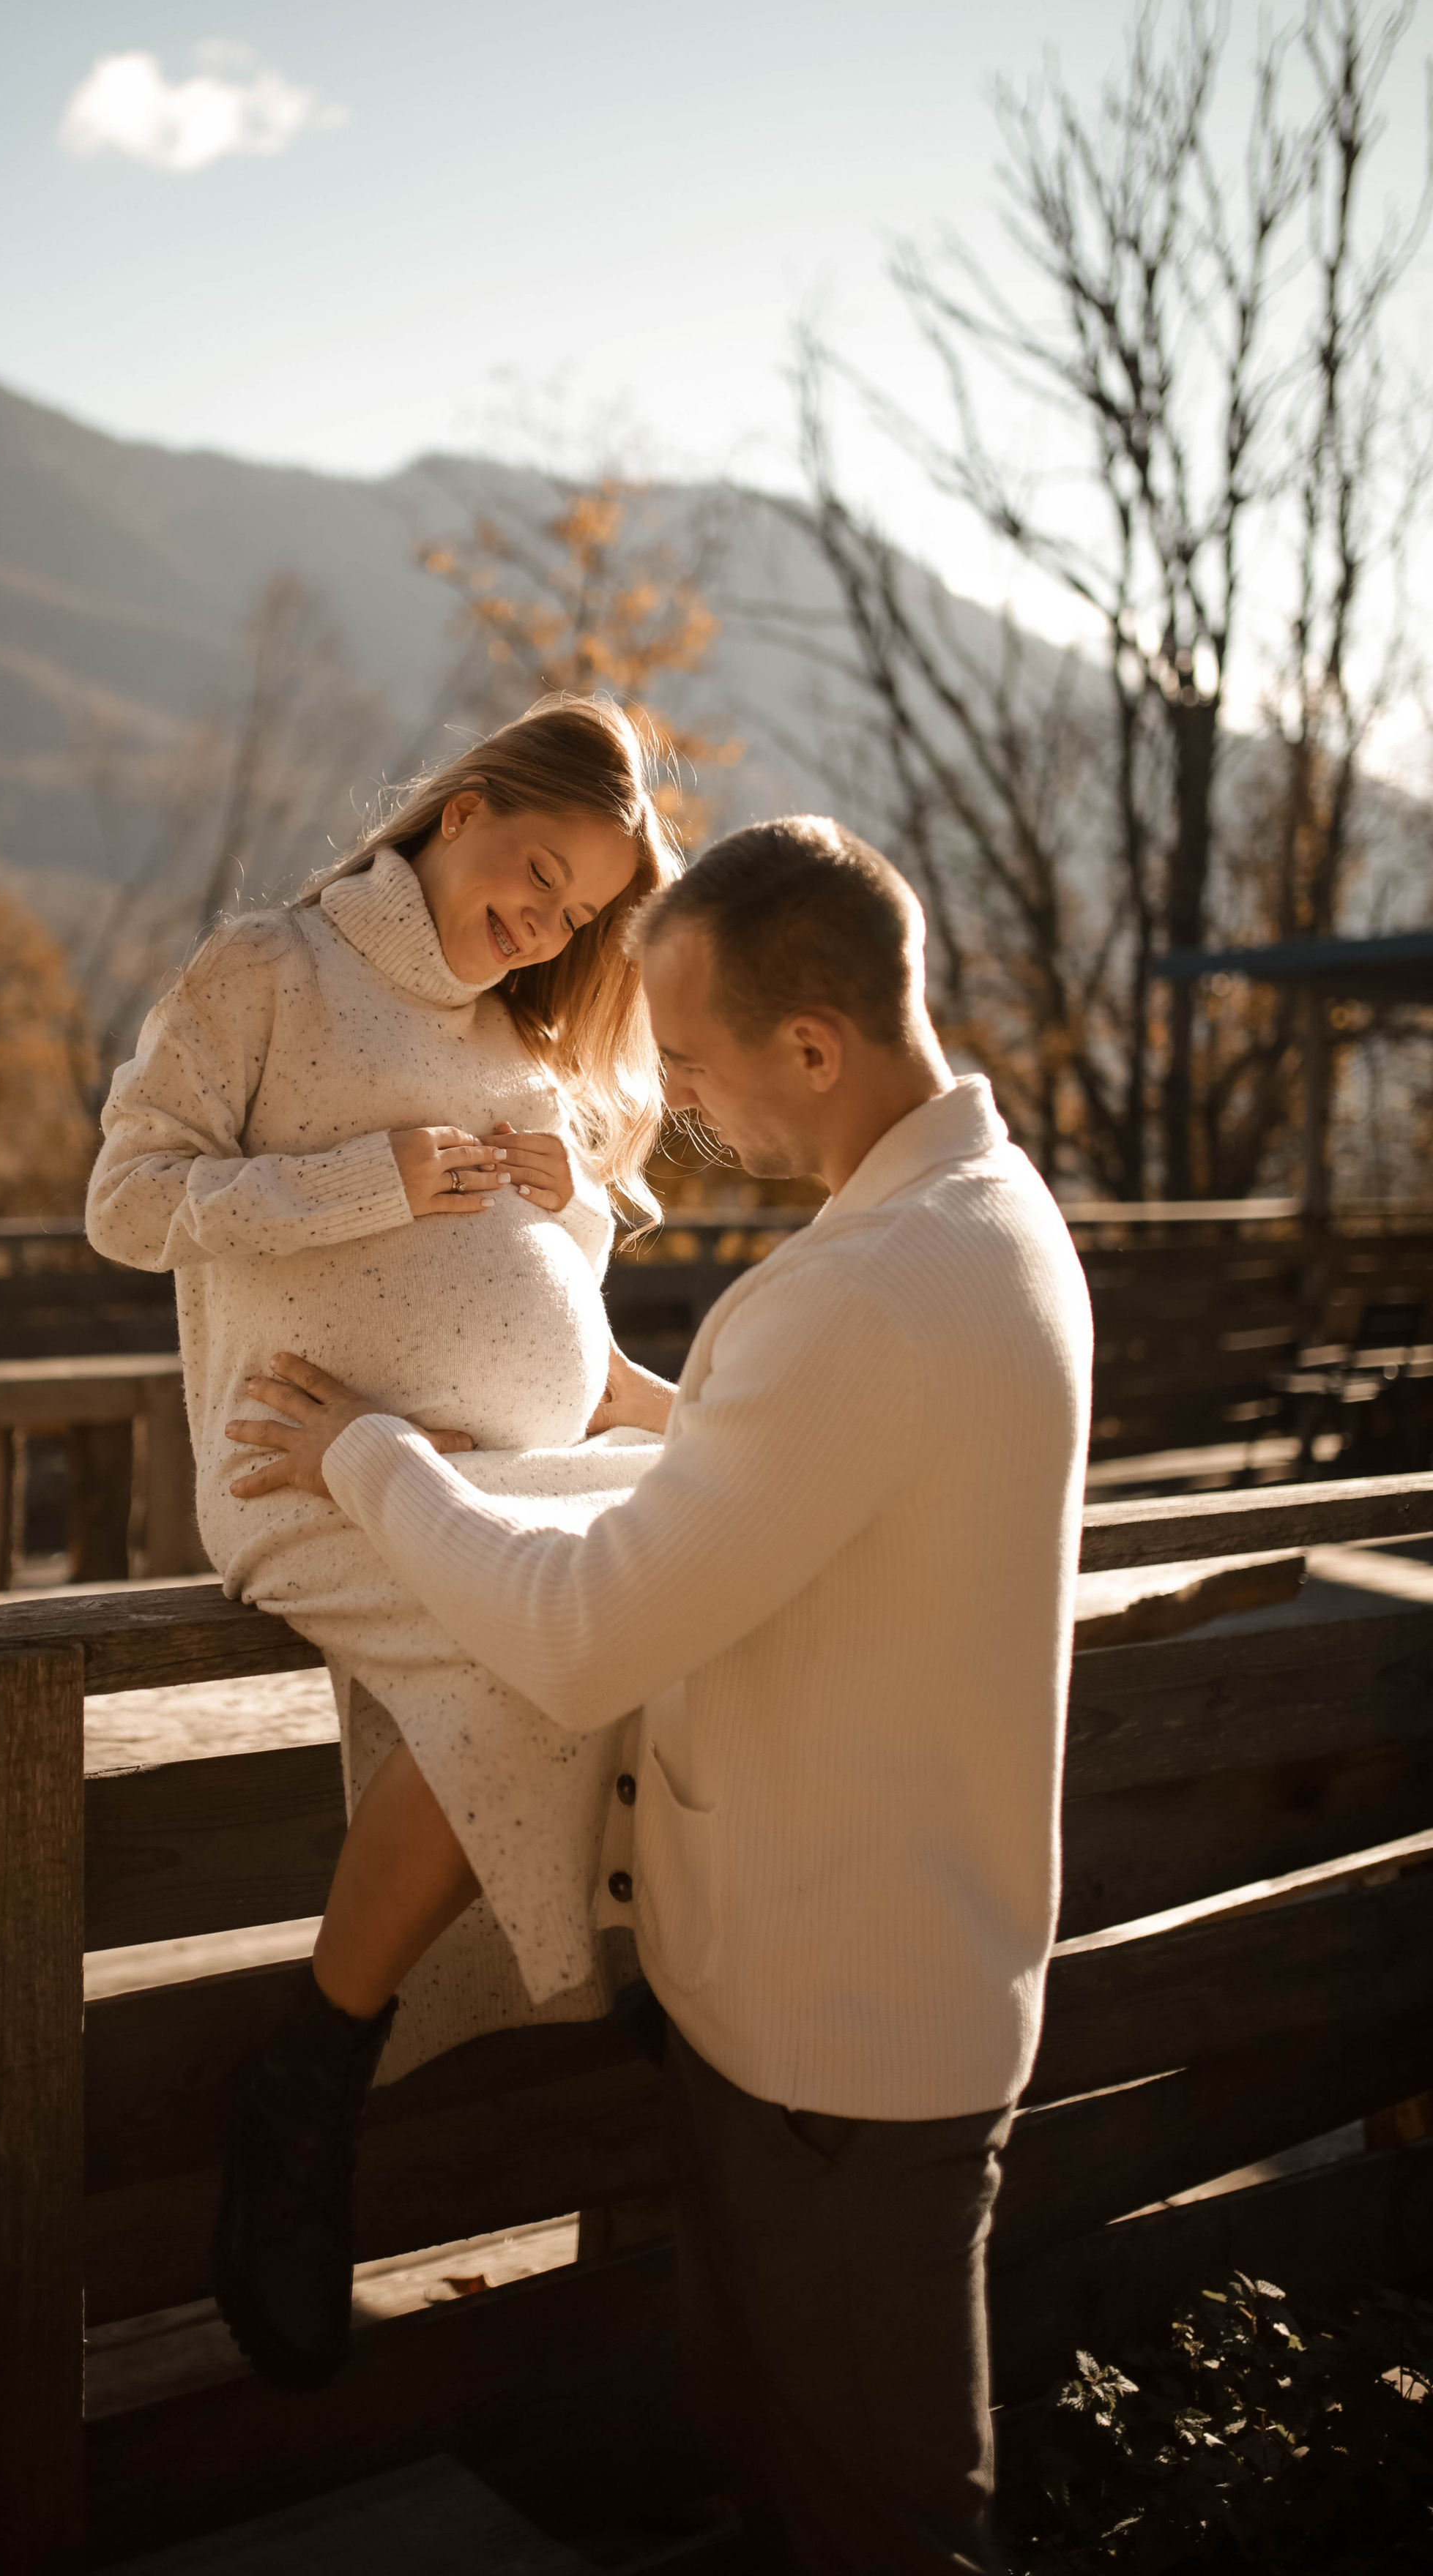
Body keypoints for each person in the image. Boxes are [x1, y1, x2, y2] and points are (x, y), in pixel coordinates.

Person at [225, 814, 1094, 2575]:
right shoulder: (989, 1221)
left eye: (693, 1063)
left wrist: (369, 1453)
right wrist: (640, 1406)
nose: (683, 1107)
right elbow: (836, 1486)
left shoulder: (856, 1292)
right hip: (865, 2008)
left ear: (811, 1048)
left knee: (882, 2533)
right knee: (808, 2504)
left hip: (831, 2063)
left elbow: (577, 1636)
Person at [84, 694, 682, 2391]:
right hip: (305, 1474)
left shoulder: (522, 1042)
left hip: (517, 1475)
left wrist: (693, 1414)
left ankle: (693, 2083)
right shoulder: (262, 972)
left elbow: (567, 1320)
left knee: (676, 1599)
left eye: (572, 917)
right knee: (546, 1637)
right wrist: (371, 1179)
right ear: (463, 806)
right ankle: (311, 2074)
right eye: (533, 875)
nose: (540, 925)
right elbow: (124, 1203)